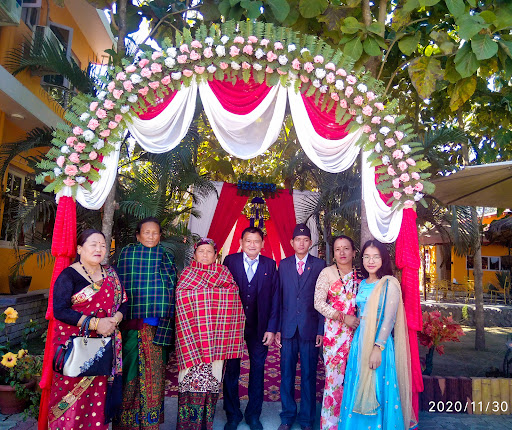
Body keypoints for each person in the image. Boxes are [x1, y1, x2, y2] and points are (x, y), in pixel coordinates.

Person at [48, 229, 128, 429]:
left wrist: (113, 321)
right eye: (93, 244)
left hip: (104, 349)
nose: (99, 249)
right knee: (70, 399)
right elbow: (60, 310)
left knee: (98, 399)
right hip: (75, 350)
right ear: (79, 249)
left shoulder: (112, 274)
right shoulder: (69, 275)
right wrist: (96, 324)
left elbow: (124, 303)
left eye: (102, 245)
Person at [338, 240, 414, 430]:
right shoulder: (362, 283)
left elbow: (389, 319)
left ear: (383, 259)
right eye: (367, 257)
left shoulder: (389, 283)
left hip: (379, 344)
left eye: (375, 257)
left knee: (378, 388)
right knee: (357, 385)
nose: (370, 261)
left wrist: (378, 348)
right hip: (359, 342)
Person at [175, 238, 245, 430]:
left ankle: (206, 424)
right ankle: (187, 425)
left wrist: (204, 295)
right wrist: (211, 295)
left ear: (215, 255)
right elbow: (181, 299)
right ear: (195, 254)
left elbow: (233, 297)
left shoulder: (223, 272)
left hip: (216, 340)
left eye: (209, 252)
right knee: (188, 382)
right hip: (192, 338)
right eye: (201, 251)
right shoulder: (187, 274)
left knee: (212, 382)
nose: (205, 255)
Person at [114, 217, 177, 430]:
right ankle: (126, 424)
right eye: (146, 232)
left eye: (155, 232)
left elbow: (171, 290)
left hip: (157, 328)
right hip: (130, 326)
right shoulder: (127, 255)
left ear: (160, 236)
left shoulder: (166, 256)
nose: (151, 236)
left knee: (154, 378)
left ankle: (150, 423)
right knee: (128, 374)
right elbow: (120, 288)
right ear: (138, 235)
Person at [223, 226, 280, 430]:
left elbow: (275, 298)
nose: (252, 245)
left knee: (258, 370)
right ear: (241, 243)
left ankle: (253, 415)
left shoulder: (269, 264)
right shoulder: (230, 261)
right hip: (233, 327)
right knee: (231, 371)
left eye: (256, 241)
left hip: (260, 327)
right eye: (248, 241)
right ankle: (232, 414)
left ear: (262, 244)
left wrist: (271, 328)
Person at [275, 224, 326, 430]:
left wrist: (321, 329)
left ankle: (306, 419)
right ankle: (287, 416)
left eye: (305, 240)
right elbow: (278, 298)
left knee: (308, 375)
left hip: (310, 329)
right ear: (292, 243)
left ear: (310, 243)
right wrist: (277, 328)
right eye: (298, 240)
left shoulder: (320, 265)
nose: (302, 243)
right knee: (286, 375)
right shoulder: (284, 265)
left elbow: (324, 299)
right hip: (287, 329)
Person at [314, 235, 361, 430]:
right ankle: (330, 426)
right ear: (333, 254)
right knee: (334, 381)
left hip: (358, 335)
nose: (342, 252)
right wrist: (342, 317)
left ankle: (352, 425)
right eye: (338, 249)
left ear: (354, 252)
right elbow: (318, 303)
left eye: (346, 248)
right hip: (334, 336)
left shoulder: (362, 275)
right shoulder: (327, 273)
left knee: (356, 380)